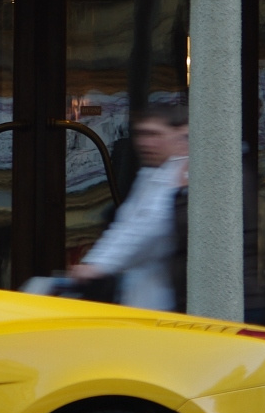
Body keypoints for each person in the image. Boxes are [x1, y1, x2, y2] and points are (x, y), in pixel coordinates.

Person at [69, 105, 189, 311]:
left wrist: (97, 265)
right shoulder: (154, 173)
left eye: (154, 134)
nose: (145, 143)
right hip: (147, 291)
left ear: (179, 136)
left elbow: (150, 226)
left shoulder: (179, 174)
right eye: (141, 134)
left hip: (165, 297)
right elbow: (128, 226)